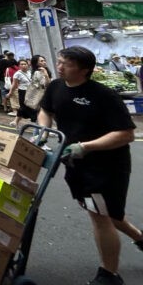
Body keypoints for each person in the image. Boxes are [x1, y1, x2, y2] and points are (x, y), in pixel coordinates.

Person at [38, 46, 143, 285]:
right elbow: (45, 110)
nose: (60, 66)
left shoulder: (103, 95)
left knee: (100, 216)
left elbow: (126, 134)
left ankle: (109, 274)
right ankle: (139, 238)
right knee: (107, 213)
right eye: (60, 61)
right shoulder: (56, 87)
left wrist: (86, 147)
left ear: (85, 70)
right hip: (74, 163)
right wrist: (44, 132)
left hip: (106, 166)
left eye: (67, 64)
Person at [7, 59, 33, 130]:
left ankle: (15, 122)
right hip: (22, 92)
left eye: (25, 64)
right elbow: (14, 85)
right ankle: (16, 122)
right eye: (21, 64)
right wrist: (10, 93)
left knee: (30, 107)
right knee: (23, 107)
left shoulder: (30, 72)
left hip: (31, 92)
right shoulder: (17, 74)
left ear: (27, 65)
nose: (24, 65)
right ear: (19, 66)